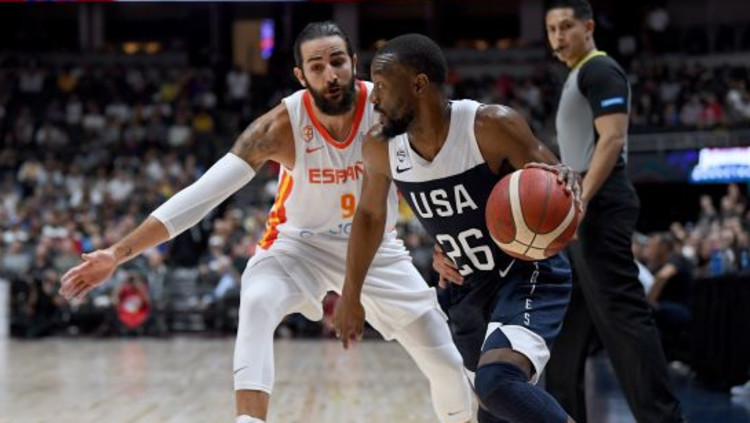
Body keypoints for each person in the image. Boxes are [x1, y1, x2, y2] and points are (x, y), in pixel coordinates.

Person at [59, 22, 473, 423]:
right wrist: (117, 254)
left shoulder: (387, 111)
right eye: (316, 66)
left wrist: (445, 242)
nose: (330, 74)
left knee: (447, 364)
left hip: (375, 251)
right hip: (297, 248)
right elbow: (203, 195)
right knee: (257, 301)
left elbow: (435, 176)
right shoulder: (279, 127)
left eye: (337, 61)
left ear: (353, 61)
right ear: (301, 76)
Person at [333, 33, 580, 423]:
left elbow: (560, 194)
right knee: (493, 411)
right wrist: (351, 294)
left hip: (525, 273)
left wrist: (567, 185)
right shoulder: (381, 147)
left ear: (419, 84)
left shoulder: (490, 126)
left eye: (381, 85)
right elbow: (368, 217)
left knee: (498, 382)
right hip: (466, 287)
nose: (374, 98)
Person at [542, 1, 686, 422]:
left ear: (588, 27)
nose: (558, 36)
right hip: (582, 203)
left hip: (599, 201)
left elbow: (612, 139)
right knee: (567, 326)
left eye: (566, 26)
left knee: (623, 318)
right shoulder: (575, 75)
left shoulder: (600, 69)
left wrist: (582, 199)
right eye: (551, 29)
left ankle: (663, 417)